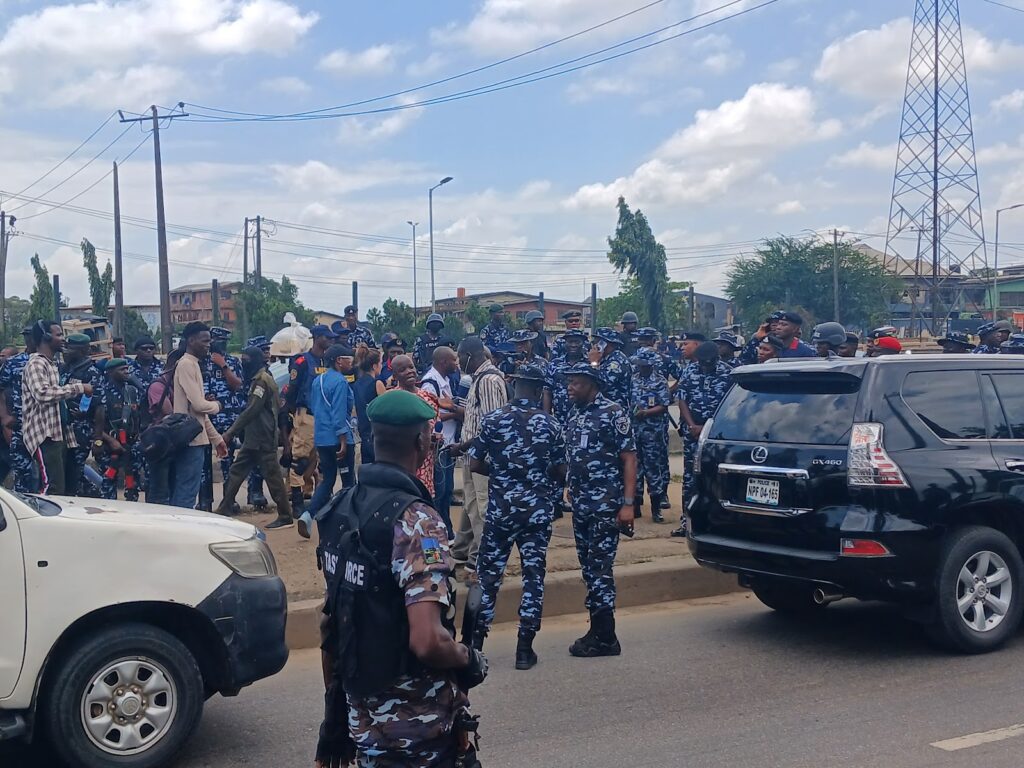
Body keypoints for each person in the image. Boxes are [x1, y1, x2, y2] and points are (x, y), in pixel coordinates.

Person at [312, 390, 487, 768]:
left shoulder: (337, 511)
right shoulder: (417, 522)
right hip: (419, 733)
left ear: (373, 439)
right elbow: (427, 641)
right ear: (422, 441)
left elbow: (332, 624)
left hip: (364, 727)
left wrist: (334, 720)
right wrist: (467, 658)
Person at [467, 364, 566, 669]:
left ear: (514, 387)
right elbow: (562, 471)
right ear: (538, 391)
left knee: (487, 579)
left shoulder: (492, 421)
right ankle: (524, 649)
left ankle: (475, 646)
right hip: (535, 515)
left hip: (500, 513)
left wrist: (501, 473)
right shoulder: (551, 425)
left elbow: (474, 464)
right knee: (533, 578)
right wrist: (541, 477)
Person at [564, 362, 636, 658]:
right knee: (589, 568)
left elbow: (629, 458)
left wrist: (628, 505)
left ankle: (606, 637)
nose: (570, 388)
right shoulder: (575, 413)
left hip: (606, 504)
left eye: (576, 383)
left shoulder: (613, 412)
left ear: (592, 384)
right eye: (569, 382)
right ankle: (597, 629)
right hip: (581, 504)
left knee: (600, 570)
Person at [449, 337, 508, 577]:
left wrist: (464, 445)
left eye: (459, 356)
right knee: (472, 507)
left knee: (484, 509)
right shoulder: (476, 380)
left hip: (484, 459)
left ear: (471, 355)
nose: (457, 362)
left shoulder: (489, 380)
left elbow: (492, 427)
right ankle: (473, 554)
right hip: (472, 455)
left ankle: (490, 564)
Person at [216, 347, 293, 530]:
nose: (244, 363)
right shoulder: (258, 379)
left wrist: (230, 433)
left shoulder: (261, 381)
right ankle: (225, 507)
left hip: (263, 437)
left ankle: (285, 515)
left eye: (247, 359)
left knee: (272, 477)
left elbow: (251, 411)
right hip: (254, 437)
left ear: (256, 360)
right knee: (236, 471)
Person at [22, 320, 93, 495]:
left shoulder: (51, 365)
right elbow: (42, 394)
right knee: (51, 488)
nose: (63, 339)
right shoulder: (37, 364)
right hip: (44, 435)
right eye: (59, 334)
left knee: (63, 489)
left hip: (58, 433)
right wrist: (79, 388)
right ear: (46, 337)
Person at [674, 341, 732, 537]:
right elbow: (682, 399)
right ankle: (687, 522)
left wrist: (708, 427)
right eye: (703, 363)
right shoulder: (690, 371)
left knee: (716, 477)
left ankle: (717, 522)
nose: (706, 366)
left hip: (717, 434)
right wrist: (691, 425)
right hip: (693, 432)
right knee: (690, 478)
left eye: (710, 362)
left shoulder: (727, 373)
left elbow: (731, 406)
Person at [298, 344, 357, 538]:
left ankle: (308, 514)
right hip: (340, 439)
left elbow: (316, 408)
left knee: (328, 480)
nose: (352, 362)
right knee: (348, 482)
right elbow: (339, 412)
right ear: (339, 361)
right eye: (349, 358)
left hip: (322, 438)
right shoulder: (340, 382)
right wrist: (342, 438)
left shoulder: (318, 381)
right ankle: (349, 523)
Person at [171, 322, 227, 509]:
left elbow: (199, 414)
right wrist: (218, 405)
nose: (208, 345)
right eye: (204, 341)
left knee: (188, 491)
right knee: (186, 494)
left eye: (209, 341)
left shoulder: (193, 364)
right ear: (191, 341)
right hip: (189, 440)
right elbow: (199, 405)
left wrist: (217, 439)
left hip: (197, 438)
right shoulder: (186, 364)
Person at [284, 324, 335, 516]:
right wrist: (292, 419)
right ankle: (297, 502)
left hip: (324, 417)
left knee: (317, 460)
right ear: (316, 337)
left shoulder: (328, 361)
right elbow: (292, 389)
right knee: (300, 460)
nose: (330, 340)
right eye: (326, 337)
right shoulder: (303, 361)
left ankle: (315, 498)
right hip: (307, 416)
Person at [421, 346, 464, 533]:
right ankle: (441, 530)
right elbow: (429, 414)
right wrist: (455, 413)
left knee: (447, 490)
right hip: (438, 445)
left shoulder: (445, 380)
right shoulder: (430, 383)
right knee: (440, 491)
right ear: (443, 362)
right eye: (454, 360)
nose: (457, 363)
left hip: (448, 442)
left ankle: (447, 528)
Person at [202, 327, 245, 510]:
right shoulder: (199, 362)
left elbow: (237, 385)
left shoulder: (233, 361)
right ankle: (205, 502)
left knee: (228, 462)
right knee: (204, 464)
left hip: (228, 418)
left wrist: (223, 365)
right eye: (215, 340)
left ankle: (229, 501)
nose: (218, 344)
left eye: (222, 341)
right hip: (206, 419)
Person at [629, 348, 671, 523]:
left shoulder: (659, 381)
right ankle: (636, 505)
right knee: (635, 468)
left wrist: (646, 413)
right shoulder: (633, 379)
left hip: (652, 432)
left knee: (653, 469)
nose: (640, 367)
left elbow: (664, 405)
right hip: (635, 430)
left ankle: (656, 507)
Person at [93, 358, 144, 501]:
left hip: (130, 444)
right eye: (122, 370)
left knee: (132, 482)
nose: (126, 372)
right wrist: (110, 441)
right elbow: (94, 422)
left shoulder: (132, 391)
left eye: (127, 369)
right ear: (110, 372)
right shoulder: (101, 391)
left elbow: (138, 416)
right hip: (109, 444)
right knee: (108, 482)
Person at [392, 354, 439, 498]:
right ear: (395, 375)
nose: (409, 371)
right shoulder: (392, 399)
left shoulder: (428, 397)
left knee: (425, 501)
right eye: (402, 369)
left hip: (427, 463)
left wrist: (435, 438)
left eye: (411, 367)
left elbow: (436, 424)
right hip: (403, 463)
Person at [61, 333, 103, 495]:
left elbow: (99, 406)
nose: (66, 351)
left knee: (75, 472)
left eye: (70, 348)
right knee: (66, 471)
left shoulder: (91, 372)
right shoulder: (64, 368)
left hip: (81, 431)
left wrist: (98, 439)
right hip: (63, 429)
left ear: (83, 350)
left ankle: (91, 495)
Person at [0, 326, 40, 492]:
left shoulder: (49, 362)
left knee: (45, 478)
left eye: (32, 336)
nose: (29, 340)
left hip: (43, 428)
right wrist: (4, 417)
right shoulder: (13, 363)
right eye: (26, 336)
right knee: (22, 474)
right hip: (19, 426)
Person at [146, 349, 183, 505]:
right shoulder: (158, 386)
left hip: (174, 442)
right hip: (159, 444)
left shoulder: (175, 384)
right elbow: (170, 414)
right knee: (159, 491)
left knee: (174, 485)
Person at [242, 335, 273, 509]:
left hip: (263, 421)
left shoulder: (266, 371)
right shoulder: (248, 370)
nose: (267, 353)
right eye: (263, 350)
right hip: (249, 420)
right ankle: (253, 492)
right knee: (251, 458)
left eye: (268, 349)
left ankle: (257, 492)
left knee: (261, 459)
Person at [545, 329, 587, 428]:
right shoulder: (554, 364)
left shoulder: (589, 364)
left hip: (584, 419)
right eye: (570, 342)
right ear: (565, 343)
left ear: (583, 343)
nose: (573, 345)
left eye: (577, 342)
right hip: (559, 419)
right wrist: (546, 417)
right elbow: (547, 392)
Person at [352, 349, 386, 465]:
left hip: (364, 435)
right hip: (377, 436)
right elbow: (386, 410)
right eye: (380, 363)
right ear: (374, 366)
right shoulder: (377, 383)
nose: (381, 366)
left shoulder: (356, 384)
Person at [740, 311, 816, 363]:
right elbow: (743, 361)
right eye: (778, 324)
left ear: (795, 329)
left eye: (783, 324)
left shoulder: (804, 351)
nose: (778, 327)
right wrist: (756, 339)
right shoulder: (767, 346)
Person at [588, 327, 632, 410]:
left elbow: (602, 384)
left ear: (604, 343)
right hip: (603, 408)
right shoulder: (604, 358)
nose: (594, 344)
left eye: (597, 341)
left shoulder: (617, 361)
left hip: (616, 409)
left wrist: (593, 362)